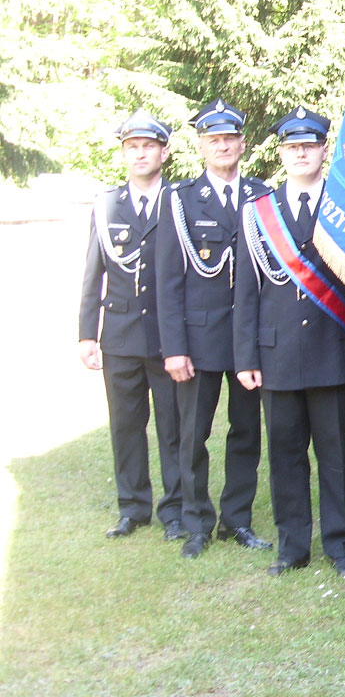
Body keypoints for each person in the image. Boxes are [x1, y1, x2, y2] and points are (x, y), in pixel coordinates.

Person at [233, 107, 345, 577]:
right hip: (277, 356)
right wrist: (246, 356)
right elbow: (246, 293)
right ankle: (292, 547)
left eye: (308, 146)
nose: (300, 154)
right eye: (292, 147)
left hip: (335, 352)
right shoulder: (256, 214)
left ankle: (342, 546)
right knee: (286, 458)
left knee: (335, 456)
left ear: (324, 150)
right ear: (281, 152)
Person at [157, 99, 272, 559]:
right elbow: (167, 284)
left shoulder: (262, 196)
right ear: (201, 147)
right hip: (199, 341)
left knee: (246, 432)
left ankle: (236, 520)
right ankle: (196, 522)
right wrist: (174, 349)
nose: (223, 147)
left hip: (248, 342)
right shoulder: (182, 201)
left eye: (230, 139)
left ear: (243, 144)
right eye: (214, 140)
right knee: (193, 433)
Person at [78, 110, 183, 539]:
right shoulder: (106, 206)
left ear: (164, 151)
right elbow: (93, 272)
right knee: (125, 426)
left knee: (174, 427)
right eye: (132, 147)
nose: (140, 154)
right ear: (124, 153)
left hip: (168, 338)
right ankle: (132, 507)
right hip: (119, 336)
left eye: (148, 146)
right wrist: (87, 333)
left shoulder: (180, 201)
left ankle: (174, 510)